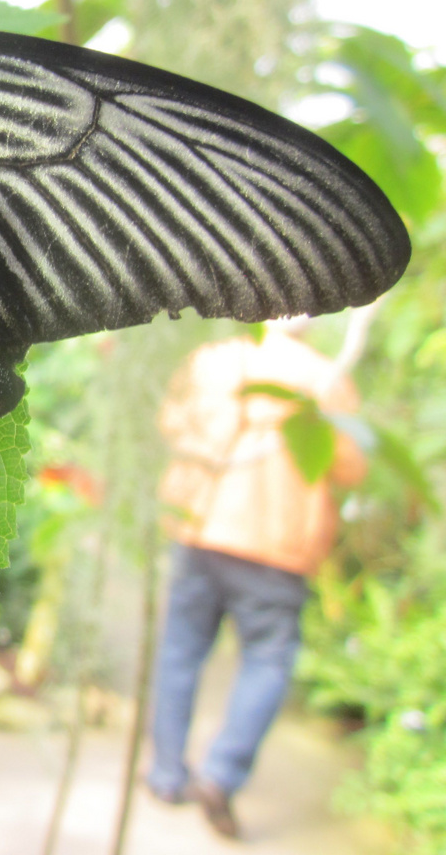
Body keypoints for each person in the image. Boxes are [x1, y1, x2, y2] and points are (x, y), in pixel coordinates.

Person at [145, 318, 367, 839]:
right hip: (275, 544)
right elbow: (350, 465)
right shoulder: (322, 379)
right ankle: (221, 774)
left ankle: (166, 774)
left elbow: (173, 423)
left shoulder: (213, 360)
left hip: (200, 523)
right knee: (267, 658)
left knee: (181, 649)